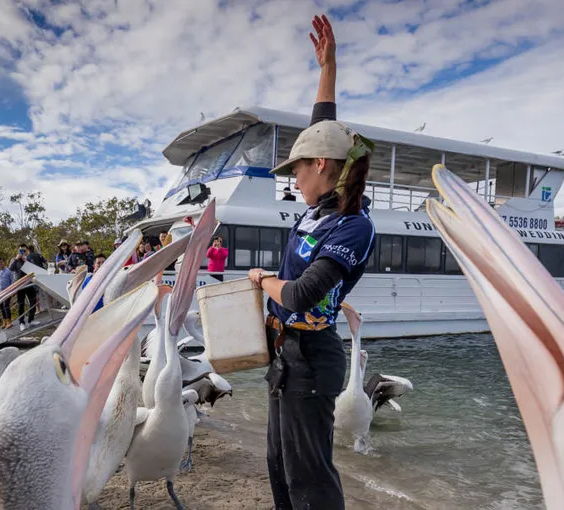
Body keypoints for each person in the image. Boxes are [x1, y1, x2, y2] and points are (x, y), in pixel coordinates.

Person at [248, 15, 375, 510]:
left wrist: (261, 279)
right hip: (286, 356)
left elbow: (302, 294)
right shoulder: (320, 208)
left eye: (298, 169)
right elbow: (323, 127)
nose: (294, 178)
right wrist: (328, 67)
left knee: (311, 479)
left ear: (321, 167)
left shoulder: (353, 226)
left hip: (314, 361)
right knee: (279, 465)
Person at [10, 244, 39, 331]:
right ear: (18, 251)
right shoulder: (14, 260)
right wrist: (16, 259)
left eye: (24, 250)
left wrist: (26, 261)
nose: (22, 252)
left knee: (33, 300)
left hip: (29, 283)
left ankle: (31, 320)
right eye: (21, 250)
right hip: (20, 284)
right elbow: (10, 269)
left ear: (26, 251)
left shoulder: (28, 258)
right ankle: (21, 322)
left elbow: (34, 269)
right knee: (21, 304)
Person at [0, 257, 15, 329]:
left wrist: (13, 291)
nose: (1, 264)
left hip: (7, 291)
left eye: (2, 262)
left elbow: (12, 281)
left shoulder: (8, 271)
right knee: (2, 307)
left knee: (6, 305)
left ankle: (9, 321)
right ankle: (4, 321)